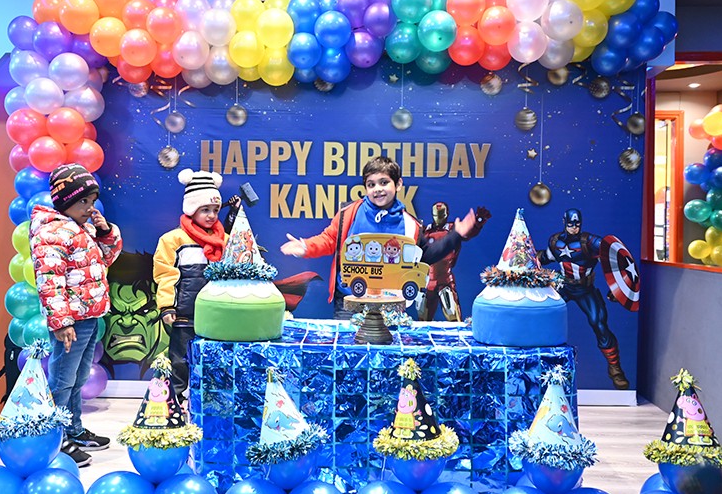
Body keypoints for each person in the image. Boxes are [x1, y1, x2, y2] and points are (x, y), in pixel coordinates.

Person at [280, 156, 480, 319]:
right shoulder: (349, 214)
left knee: (386, 353)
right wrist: (306, 247)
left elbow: (425, 255)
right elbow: (329, 240)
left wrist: (456, 235)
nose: (377, 189)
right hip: (350, 300)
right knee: (347, 350)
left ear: (398, 184)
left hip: (391, 303)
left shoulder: (411, 224)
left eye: (384, 182)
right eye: (371, 184)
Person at [30, 162, 123, 467]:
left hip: (89, 317)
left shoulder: (82, 229)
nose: (89, 207)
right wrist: (61, 322)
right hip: (71, 321)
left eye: (92, 201)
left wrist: (105, 232)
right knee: (62, 379)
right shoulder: (52, 232)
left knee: (79, 377)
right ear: (65, 200)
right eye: (83, 201)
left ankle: (73, 429)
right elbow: (49, 279)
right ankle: (55, 439)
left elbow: (105, 259)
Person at [153, 169, 240, 410]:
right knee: (179, 360)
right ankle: (174, 402)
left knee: (215, 359)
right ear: (191, 209)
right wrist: (167, 306)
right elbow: (165, 274)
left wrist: (233, 217)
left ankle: (210, 402)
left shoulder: (224, 240)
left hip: (216, 315)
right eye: (205, 210)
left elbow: (233, 268)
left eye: (215, 210)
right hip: (185, 314)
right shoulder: (173, 240)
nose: (211, 216)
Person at [538, 208, 630, 390]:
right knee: (541, 315)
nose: (574, 227)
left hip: (585, 290)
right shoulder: (555, 241)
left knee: (599, 323)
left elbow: (615, 260)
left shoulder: (590, 242)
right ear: (564, 222)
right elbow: (546, 257)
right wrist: (525, 256)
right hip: (563, 286)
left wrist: (619, 288)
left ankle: (615, 368)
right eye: (571, 224)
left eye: (577, 224)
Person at [416, 201, 490, 322]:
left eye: (441, 215)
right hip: (427, 280)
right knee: (423, 319)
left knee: (453, 316)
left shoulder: (452, 229)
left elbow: (466, 233)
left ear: (446, 214)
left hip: (445, 279)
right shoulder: (425, 230)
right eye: (436, 215)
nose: (438, 218)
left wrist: (477, 224)